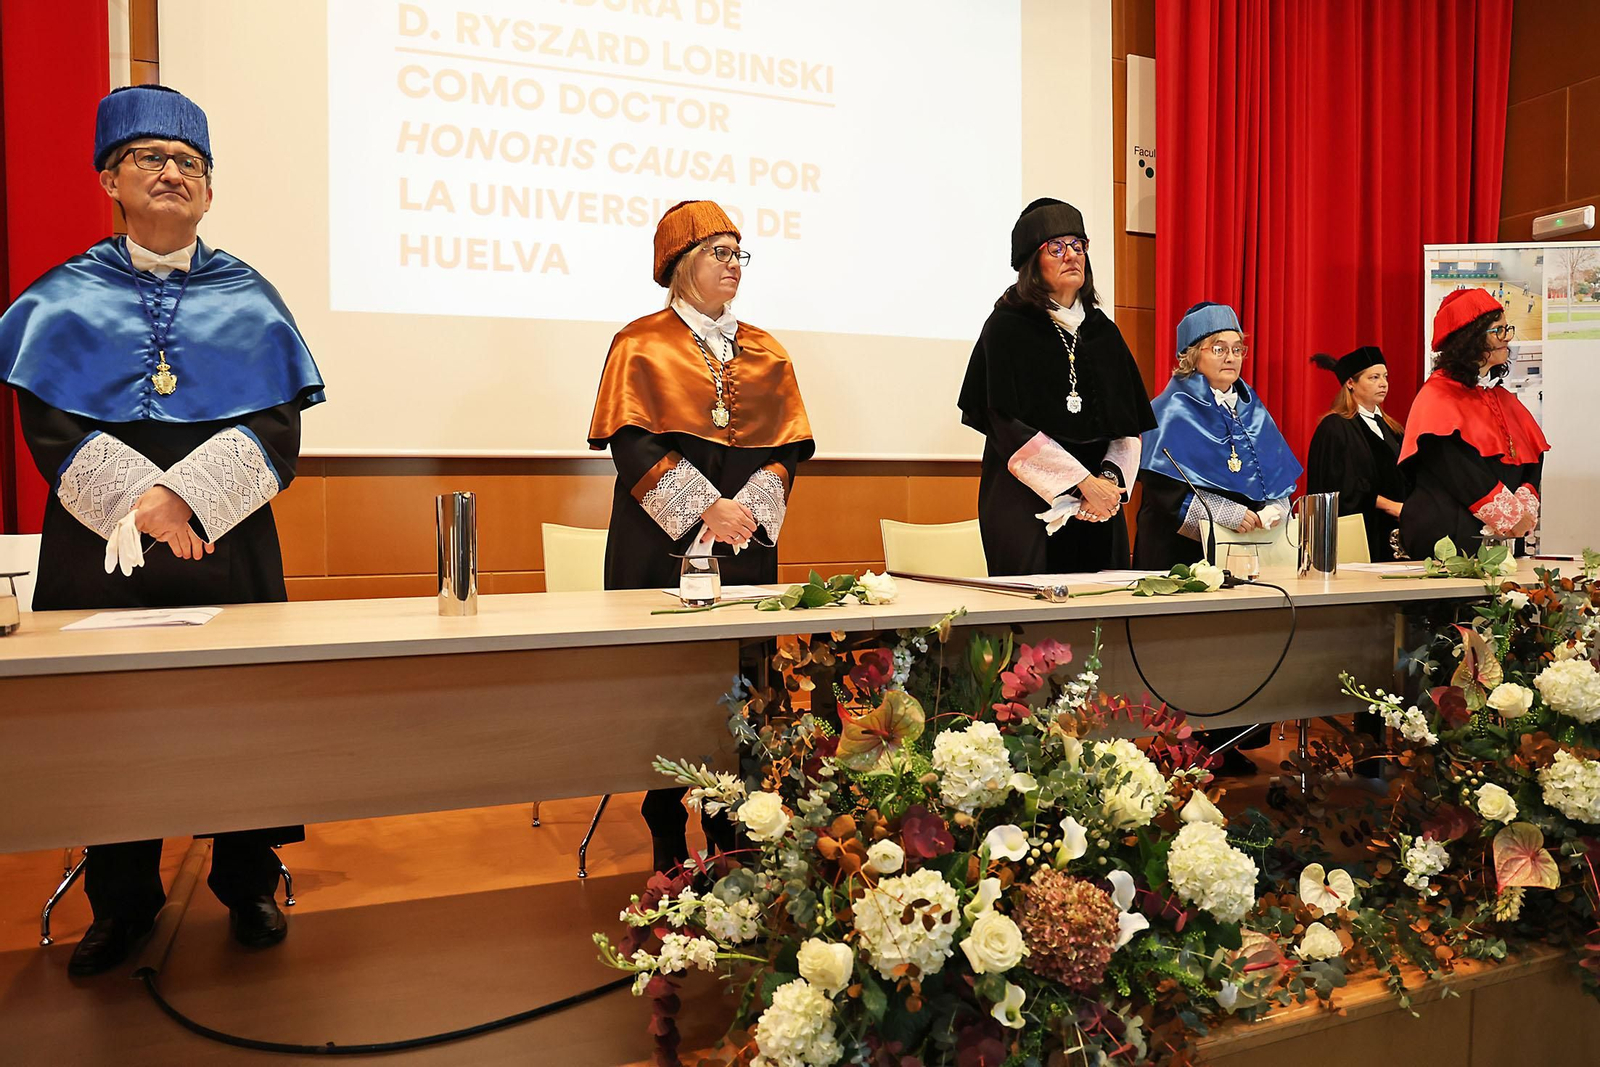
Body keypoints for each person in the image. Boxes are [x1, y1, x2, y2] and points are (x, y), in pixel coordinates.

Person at [0, 85, 325, 975]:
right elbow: (48, 425)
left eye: (191, 163)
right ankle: (122, 902)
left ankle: (248, 878)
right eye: (151, 158)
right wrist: (138, 501)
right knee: (116, 722)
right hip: (100, 540)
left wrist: (184, 498)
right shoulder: (63, 297)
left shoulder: (252, 299)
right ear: (111, 178)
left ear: (211, 193)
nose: (173, 173)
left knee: (243, 714)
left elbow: (278, 428)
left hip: (226, 540)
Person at [587, 200, 813, 871]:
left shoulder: (767, 350)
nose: (734, 267)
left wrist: (746, 505)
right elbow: (630, 443)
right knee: (665, 687)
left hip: (745, 549)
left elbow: (790, 447)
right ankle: (663, 824)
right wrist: (704, 509)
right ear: (683, 262)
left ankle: (730, 827)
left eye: (740, 254)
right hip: (657, 544)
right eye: (720, 252)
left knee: (740, 685)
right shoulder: (640, 343)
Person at [958, 198, 1155, 574]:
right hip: (1027, 506)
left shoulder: (1103, 333)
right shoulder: (1006, 327)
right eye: (1056, 247)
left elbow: (1127, 425)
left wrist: (1107, 485)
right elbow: (1006, 425)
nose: (1071, 256)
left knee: (1103, 616)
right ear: (1033, 262)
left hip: (1099, 508)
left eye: (1078, 245)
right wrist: (1081, 483)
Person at [1133, 302, 1301, 569]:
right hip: (1182, 556)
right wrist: (1227, 515)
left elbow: (1275, 476)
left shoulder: (1252, 409)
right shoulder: (1167, 410)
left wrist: (1276, 509)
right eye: (1219, 348)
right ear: (1192, 354)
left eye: (1237, 349)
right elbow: (1163, 491)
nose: (1231, 357)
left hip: (1249, 550)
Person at [1399, 287, 1548, 559]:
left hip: (1498, 536)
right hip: (1447, 532)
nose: (1507, 339)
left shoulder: (1500, 396)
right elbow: (1457, 468)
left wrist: (1526, 499)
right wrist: (1510, 515)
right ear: (1470, 339)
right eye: (1498, 331)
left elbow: (1532, 453)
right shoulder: (1438, 396)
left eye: (1507, 329)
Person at [1306, 346, 1408, 561]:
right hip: (1360, 533)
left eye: (1385, 376)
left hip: (1396, 533)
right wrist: (1390, 506)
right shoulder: (1335, 428)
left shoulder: (1393, 429)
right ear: (1351, 383)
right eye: (1373, 377)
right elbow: (1338, 488)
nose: (1383, 383)